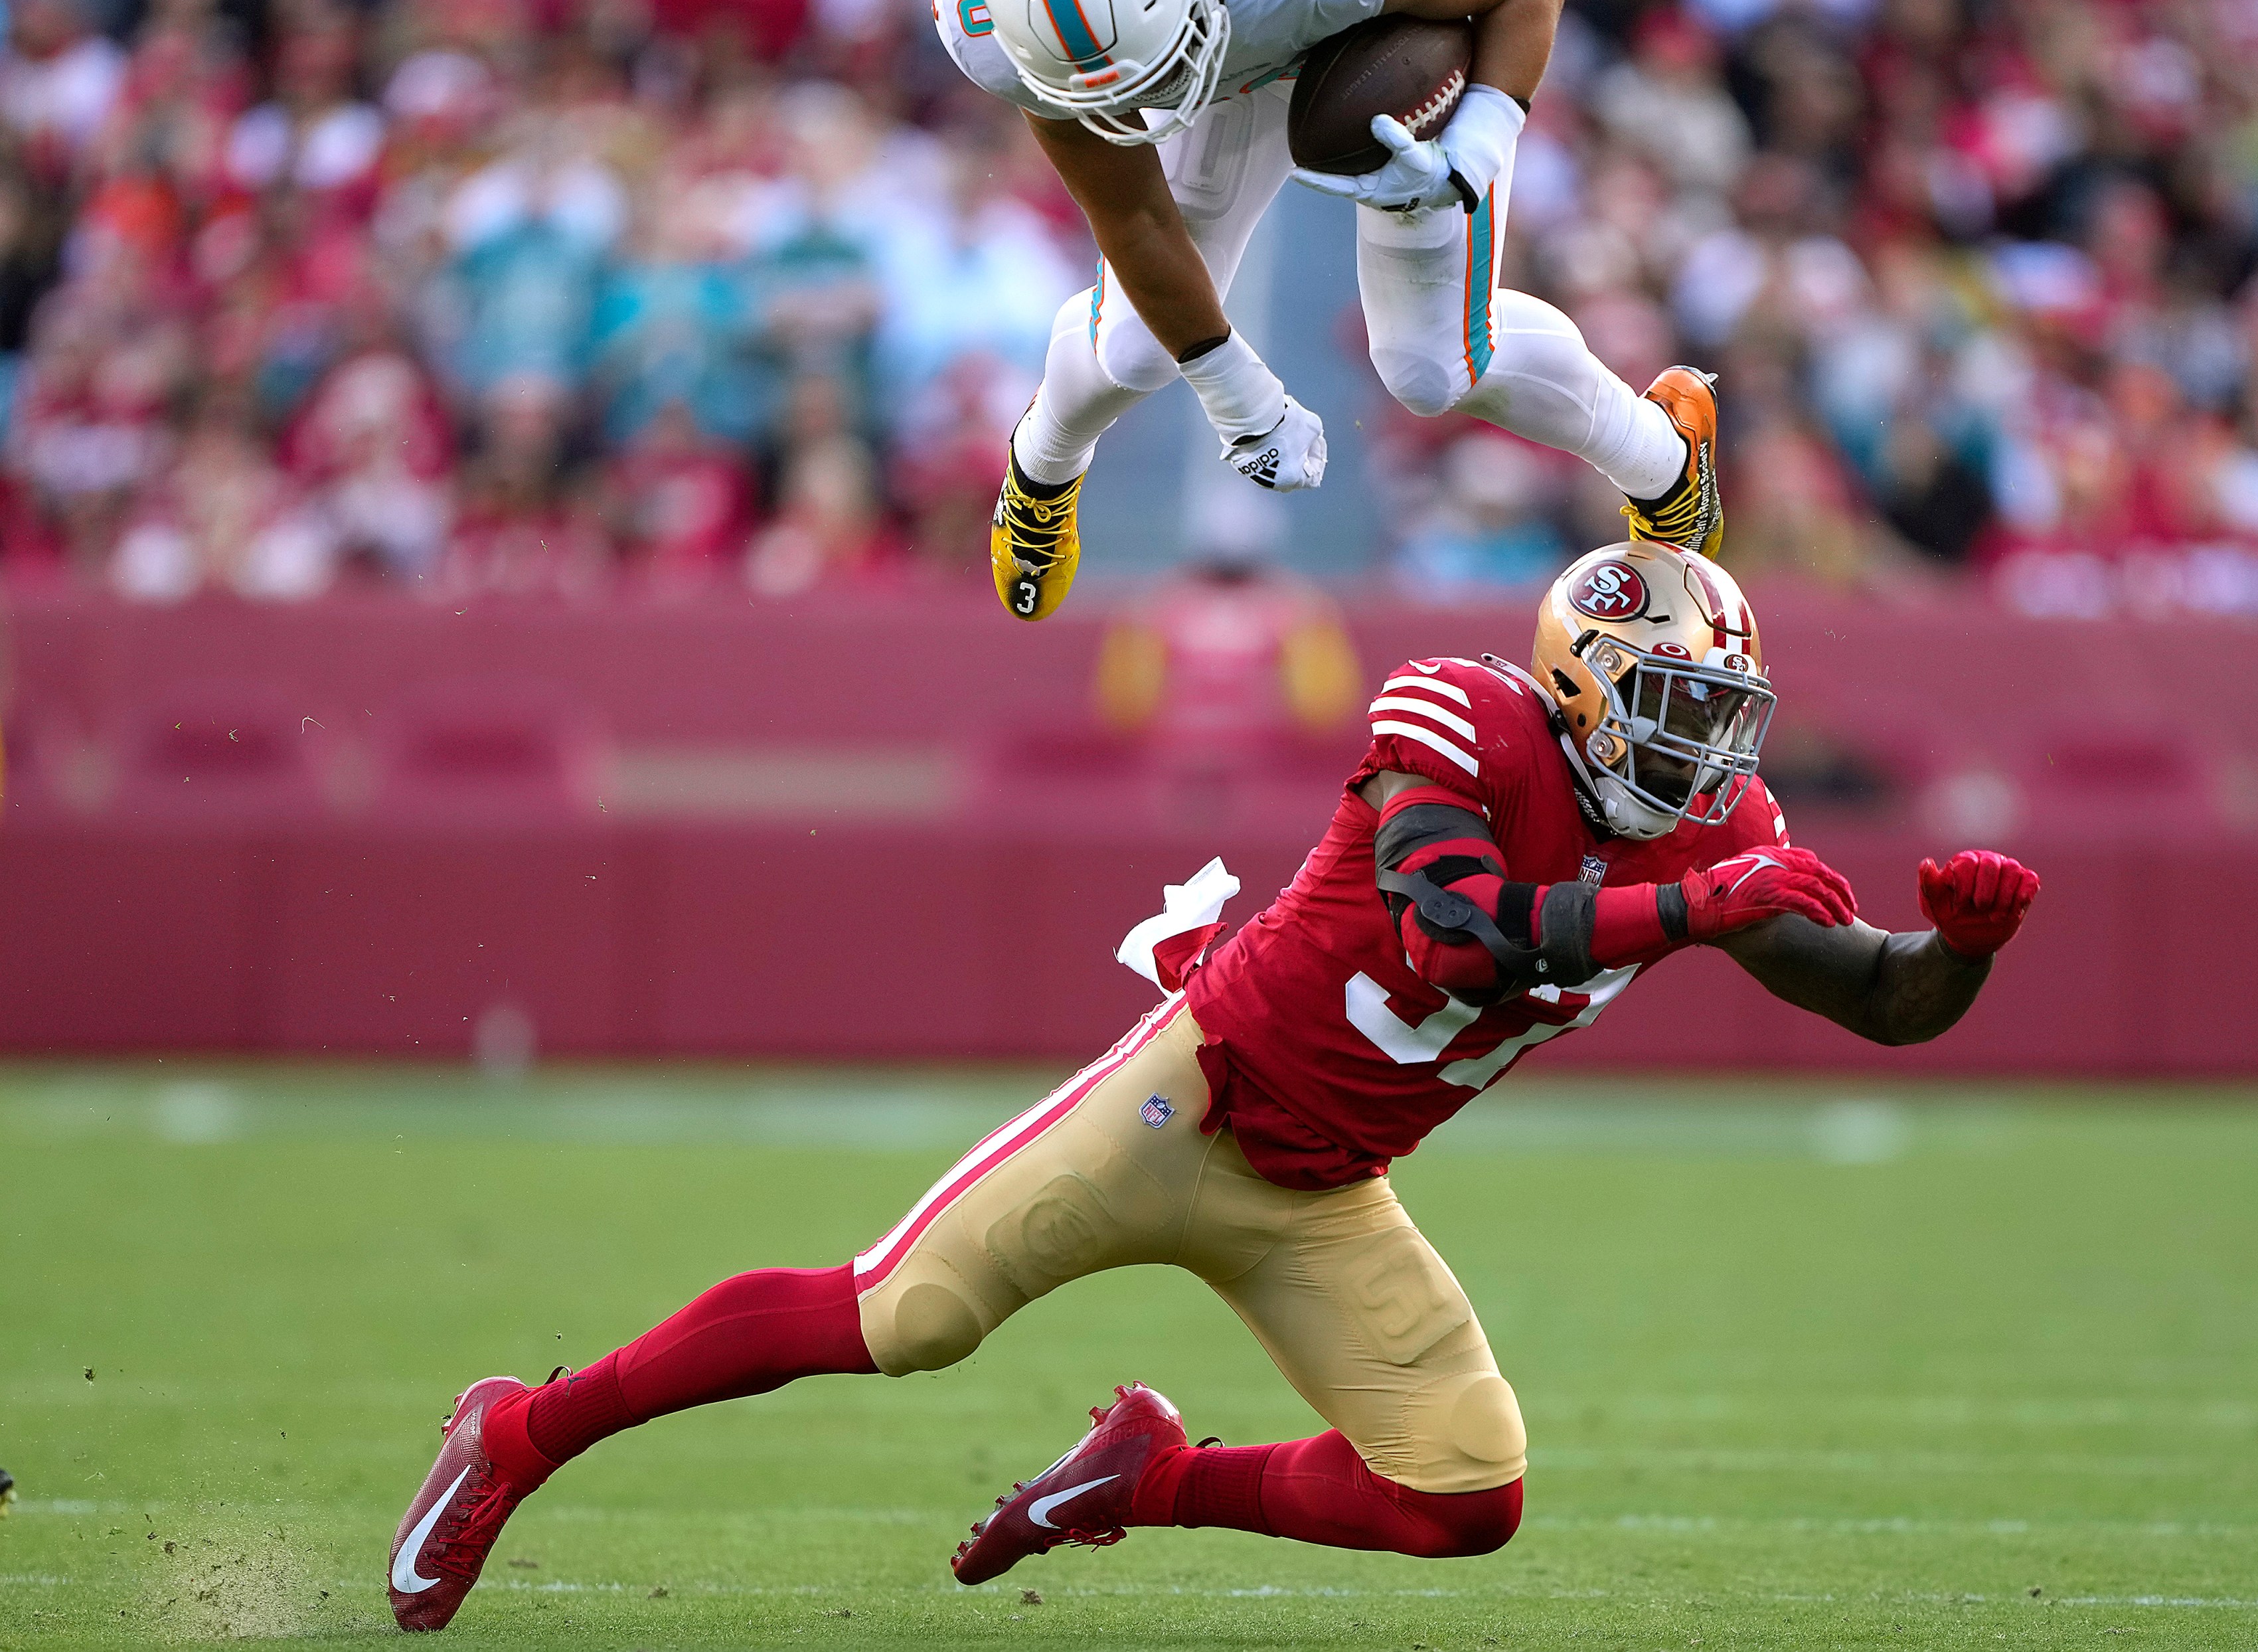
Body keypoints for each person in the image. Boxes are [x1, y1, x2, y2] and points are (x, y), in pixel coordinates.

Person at [384, 540, 2040, 1631]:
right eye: (1675, 710)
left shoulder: (1717, 833)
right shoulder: (1463, 713)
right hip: (1188, 1102)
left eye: (1722, 718)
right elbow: (1448, 930)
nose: (1706, 757)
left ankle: (1141, 1478)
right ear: (1583, 682)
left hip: (1327, 1188)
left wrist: (1955, 949)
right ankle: (517, 1432)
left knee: (1464, 1497)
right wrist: (1683, 908)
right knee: (906, 1319)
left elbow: (1880, 1002)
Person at [935, 0, 1726, 621]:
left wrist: (1476, 146)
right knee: (1136, 345)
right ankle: (1041, 466)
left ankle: (1665, 458)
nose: (1150, 103)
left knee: (1433, 367)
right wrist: (1236, 393)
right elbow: (1133, 219)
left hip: (1366, 0)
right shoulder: (999, 14)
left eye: (1154, 73)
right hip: (1227, 1)